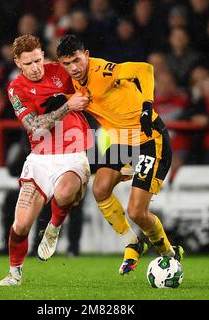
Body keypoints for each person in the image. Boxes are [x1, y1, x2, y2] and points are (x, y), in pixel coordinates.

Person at [56, 35, 183, 275]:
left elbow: (144, 69)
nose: (73, 68)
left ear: (87, 55)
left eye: (76, 60)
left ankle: (170, 253)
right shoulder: (70, 81)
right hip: (122, 145)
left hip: (149, 140)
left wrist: (147, 106)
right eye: (66, 63)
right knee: (100, 189)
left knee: (137, 211)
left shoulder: (102, 70)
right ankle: (133, 243)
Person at [0, 35, 91, 286]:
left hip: (72, 151)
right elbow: (34, 126)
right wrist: (68, 107)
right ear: (17, 62)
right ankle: (14, 274)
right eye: (29, 64)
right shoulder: (16, 88)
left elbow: (91, 76)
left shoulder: (61, 70)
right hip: (40, 158)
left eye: (39, 60)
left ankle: (54, 227)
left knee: (65, 190)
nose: (36, 67)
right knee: (22, 224)